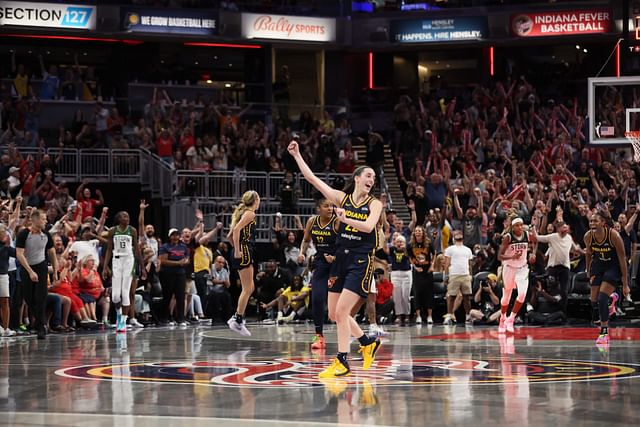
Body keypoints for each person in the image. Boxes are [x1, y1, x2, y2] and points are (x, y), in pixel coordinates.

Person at [288, 140, 381, 379]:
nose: (372, 180)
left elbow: (369, 226)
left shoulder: (375, 204)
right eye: (368, 175)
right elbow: (313, 180)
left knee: (342, 311)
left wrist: (346, 219)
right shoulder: (342, 198)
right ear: (358, 178)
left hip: (360, 259)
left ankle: (342, 360)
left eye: (374, 177)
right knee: (333, 314)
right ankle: (366, 341)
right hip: (340, 259)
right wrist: (298, 156)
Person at [584, 210, 629, 347]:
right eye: (591, 221)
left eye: (595, 221)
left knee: (602, 298)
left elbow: (622, 258)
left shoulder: (613, 235)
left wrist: (625, 283)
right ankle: (612, 299)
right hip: (598, 266)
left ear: (603, 223)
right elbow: (589, 254)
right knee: (594, 302)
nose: (592, 223)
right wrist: (588, 271)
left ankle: (604, 334)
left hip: (613, 267)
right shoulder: (588, 236)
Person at [298, 197, 337, 349]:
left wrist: (335, 257)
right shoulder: (311, 222)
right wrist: (302, 252)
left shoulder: (337, 222)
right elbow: (306, 240)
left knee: (339, 304)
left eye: (332, 206)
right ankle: (319, 336)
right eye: (326, 206)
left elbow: (346, 243)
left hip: (337, 262)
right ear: (318, 208)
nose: (330, 209)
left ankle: (350, 332)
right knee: (317, 298)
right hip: (320, 261)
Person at [15, 210, 59, 339]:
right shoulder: (24, 234)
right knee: (29, 298)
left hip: (41, 266)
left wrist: (55, 271)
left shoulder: (46, 235)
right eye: (43, 219)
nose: (46, 221)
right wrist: (29, 271)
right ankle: (41, 322)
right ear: (34, 220)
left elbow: (52, 253)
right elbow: (19, 254)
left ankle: (41, 326)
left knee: (41, 297)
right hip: (26, 267)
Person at [103, 211, 146, 333]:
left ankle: (123, 321)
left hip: (129, 260)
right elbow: (109, 250)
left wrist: (142, 267)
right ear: (118, 218)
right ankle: (118, 313)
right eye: (123, 216)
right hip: (116, 261)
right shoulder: (112, 231)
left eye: (127, 216)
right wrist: (105, 267)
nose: (126, 218)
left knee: (125, 292)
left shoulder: (132, 230)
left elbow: (137, 250)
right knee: (116, 296)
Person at [227, 190, 261, 336]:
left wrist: (236, 247)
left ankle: (237, 317)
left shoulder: (243, 213)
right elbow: (235, 231)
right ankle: (237, 320)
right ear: (256, 200)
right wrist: (237, 250)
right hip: (245, 250)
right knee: (247, 289)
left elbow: (229, 235)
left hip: (244, 249)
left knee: (250, 287)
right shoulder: (250, 213)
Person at [498, 217, 537, 334]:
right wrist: (512, 257)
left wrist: (532, 254)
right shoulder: (508, 237)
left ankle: (511, 319)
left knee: (522, 294)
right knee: (506, 297)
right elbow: (499, 256)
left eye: (521, 225)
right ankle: (502, 317)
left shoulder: (527, 234)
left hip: (522, 268)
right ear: (512, 227)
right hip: (509, 267)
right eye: (517, 225)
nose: (520, 227)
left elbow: (536, 241)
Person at [158, 228, 190, 326]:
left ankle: (180, 319)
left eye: (177, 235)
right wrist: (177, 263)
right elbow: (162, 260)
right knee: (167, 296)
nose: (175, 237)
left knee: (180, 296)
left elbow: (187, 258)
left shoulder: (183, 247)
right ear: (170, 236)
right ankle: (164, 318)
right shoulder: (165, 247)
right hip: (167, 274)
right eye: (173, 235)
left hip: (180, 274)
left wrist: (185, 261)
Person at [443, 230, 473, 326]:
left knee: (466, 297)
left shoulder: (468, 250)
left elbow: (470, 264)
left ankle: (468, 316)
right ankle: (450, 315)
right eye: (456, 234)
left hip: (465, 274)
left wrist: (470, 275)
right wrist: (446, 275)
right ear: (453, 237)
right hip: (454, 275)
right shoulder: (450, 249)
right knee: (451, 296)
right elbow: (446, 264)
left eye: (460, 233)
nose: (458, 234)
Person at [407, 225, 434, 324]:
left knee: (429, 293)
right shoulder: (410, 245)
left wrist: (432, 265)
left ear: (423, 232)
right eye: (416, 231)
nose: (417, 232)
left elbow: (434, 254)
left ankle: (430, 316)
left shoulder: (428, 243)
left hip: (427, 270)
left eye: (419, 231)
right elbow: (410, 257)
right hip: (417, 270)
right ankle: (418, 316)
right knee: (417, 293)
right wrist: (415, 267)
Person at [387, 234, 412, 325]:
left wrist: (404, 248)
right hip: (395, 273)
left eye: (401, 242)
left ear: (405, 243)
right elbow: (385, 251)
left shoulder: (408, 249)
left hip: (406, 273)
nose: (399, 243)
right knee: (397, 296)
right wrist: (386, 239)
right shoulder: (392, 249)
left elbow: (409, 256)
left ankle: (407, 315)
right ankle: (398, 315)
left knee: (406, 296)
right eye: (398, 242)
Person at [0, 224, 16, 336]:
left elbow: (18, 254)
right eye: (4, 232)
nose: (6, 234)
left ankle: (5, 328)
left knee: (5, 301)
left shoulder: (6, 247)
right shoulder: (4, 247)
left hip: (3, 275)